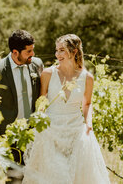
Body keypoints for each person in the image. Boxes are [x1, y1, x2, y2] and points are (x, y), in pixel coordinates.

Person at [23, 34, 110, 183]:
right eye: (57, 50)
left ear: (74, 51)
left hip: (76, 131)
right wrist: (40, 119)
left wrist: (89, 124)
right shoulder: (48, 74)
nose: (57, 54)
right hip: (51, 131)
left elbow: (87, 104)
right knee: (56, 176)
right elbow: (42, 99)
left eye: (62, 50)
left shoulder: (87, 77)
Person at [0, 30, 43, 163]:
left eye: (33, 50)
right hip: (7, 135)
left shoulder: (36, 65)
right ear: (15, 52)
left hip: (32, 134)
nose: (32, 54)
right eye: (28, 52)